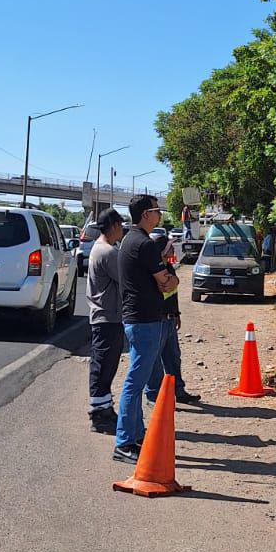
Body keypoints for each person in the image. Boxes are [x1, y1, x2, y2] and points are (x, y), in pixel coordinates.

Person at [112, 193, 178, 460]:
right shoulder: (145, 244)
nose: (159, 214)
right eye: (156, 210)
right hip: (145, 321)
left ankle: (136, 437)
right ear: (145, 215)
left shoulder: (129, 240)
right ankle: (125, 442)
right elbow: (166, 282)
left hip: (141, 319)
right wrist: (173, 278)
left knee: (140, 380)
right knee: (134, 382)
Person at [147, 229, 201, 406]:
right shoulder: (155, 270)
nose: (173, 250)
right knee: (155, 360)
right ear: (162, 251)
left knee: (173, 357)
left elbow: (172, 292)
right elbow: (165, 288)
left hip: (169, 319)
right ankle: (154, 395)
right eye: (170, 247)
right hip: (158, 320)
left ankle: (178, 391)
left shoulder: (168, 267)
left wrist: (176, 314)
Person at [86, 207, 125, 432]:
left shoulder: (100, 249)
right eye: (120, 225)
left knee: (106, 366)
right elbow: (127, 279)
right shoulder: (108, 252)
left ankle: (104, 409)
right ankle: (99, 415)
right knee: (103, 367)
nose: (121, 229)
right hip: (107, 317)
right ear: (113, 226)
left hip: (106, 316)